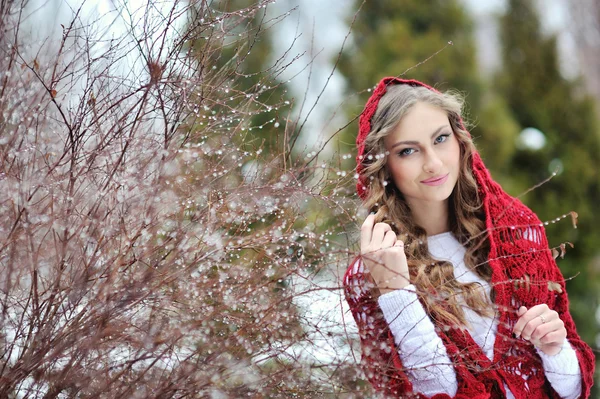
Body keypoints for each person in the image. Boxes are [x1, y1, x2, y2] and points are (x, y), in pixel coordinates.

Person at [343, 78, 595, 399]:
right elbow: (433, 392)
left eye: (441, 139)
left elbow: (573, 389)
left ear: (460, 140)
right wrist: (396, 294)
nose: (433, 163)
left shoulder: (516, 231)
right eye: (408, 151)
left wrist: (555, 349)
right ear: (383, 165)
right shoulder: (371, 272)